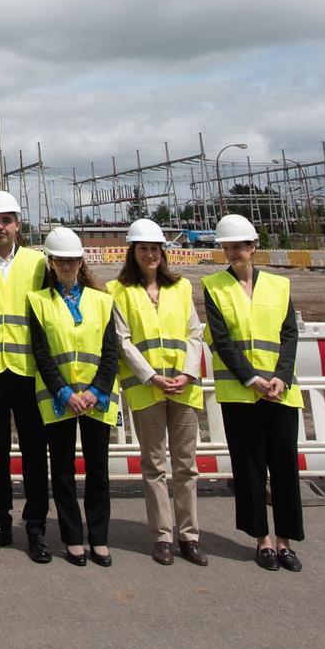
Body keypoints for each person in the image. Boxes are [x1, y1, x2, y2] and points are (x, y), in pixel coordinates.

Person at [204, 212, 305, 573]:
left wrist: (281, 377)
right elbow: (222, 340)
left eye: (239, 247)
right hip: (241, 393)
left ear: (254, 247)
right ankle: (261, 539)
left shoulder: (279, 286)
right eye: (228, 248)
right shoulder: (214, 286)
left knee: (284, 468)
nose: (233, 253)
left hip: (280, 392)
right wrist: (251, 379)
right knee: (249, 469)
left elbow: (289, 334)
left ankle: (286, 541)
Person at [111, 218, 207, 567]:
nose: (150, 254)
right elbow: (122, 341)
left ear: (162, 252)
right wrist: (151, 376)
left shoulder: (180, 287)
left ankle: (190, 536)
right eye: (143, 249)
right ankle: (163, 536)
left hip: (183, 387)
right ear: (132, 252)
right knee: (154, 466)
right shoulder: (118, 290)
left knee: (186, 466)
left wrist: (187, 372)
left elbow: (194, 333)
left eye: (155, 249)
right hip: (147, 389)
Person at [27, 226, 120, 567]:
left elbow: (111, 352)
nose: (67, 266)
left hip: (96, 399)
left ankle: (99, 538)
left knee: (98, 470)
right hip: (59, 399)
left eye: (72, 261)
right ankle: (72, 538)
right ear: (51, 263)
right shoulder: (38, 302)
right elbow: (42, 353)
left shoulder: (102, 300)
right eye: (61, 261)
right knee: (63, 471)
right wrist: (65, 392)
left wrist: (96, 391)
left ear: (82, 262)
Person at [0, 189, 51, 562]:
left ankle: (35, 526)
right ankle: (0, 520)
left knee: (35, 451)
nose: (0, 227)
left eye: (7, 220)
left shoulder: (38, 263)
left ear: (18, 224)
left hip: (29, 371)